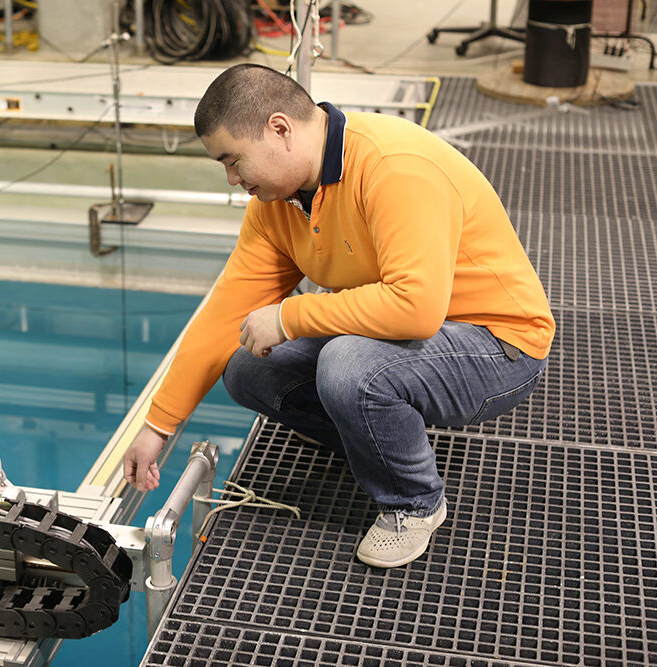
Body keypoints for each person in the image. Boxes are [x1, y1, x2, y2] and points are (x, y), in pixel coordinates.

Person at [123, 63, 554, 568]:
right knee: (248, 368)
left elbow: (415, 308)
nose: (233, 179)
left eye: (234, 160)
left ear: (279, 129)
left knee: (349, 368)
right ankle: (373, 433)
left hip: (498, 345)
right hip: (409, 342)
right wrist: (159, 426)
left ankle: (414, 504)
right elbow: (226, 313)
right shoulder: (277, 204)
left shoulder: (393, 164)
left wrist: (292, 315)